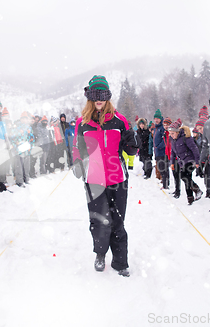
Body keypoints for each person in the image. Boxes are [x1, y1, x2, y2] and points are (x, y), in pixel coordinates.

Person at [72, 75, 138, 277]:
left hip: (118, 178)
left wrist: (132, 141)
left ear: (107, 97)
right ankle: (100, 254)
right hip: (94, 180)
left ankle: (120, 262)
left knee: (118, 222)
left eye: (102, 95)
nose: (99, 99)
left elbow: (131, 150)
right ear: (90, 98)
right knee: (99, 221)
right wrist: (77, 163)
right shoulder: (82, 123)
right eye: (95, 95)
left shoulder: (120, 121)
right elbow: (77, 148)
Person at [168, 119, 202, 205]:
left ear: (177, 132)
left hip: (191, 160)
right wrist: (172, 163)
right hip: (182, 162)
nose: (171, 135)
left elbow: (195, 149)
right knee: (187, 178)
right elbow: (173, 153)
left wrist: (197, 161)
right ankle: (190, 199)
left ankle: (197, 189)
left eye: (173, 133)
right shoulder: (174, 140)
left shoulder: (186, 138)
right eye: (170, 134)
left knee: (183, 175)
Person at [153, 109, 169, 189]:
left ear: (160, 118)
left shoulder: (162, 127)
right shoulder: (156, 128)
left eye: (157, 118)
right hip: (157, 152)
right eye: (155, 118)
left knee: (163, 169)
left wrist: (159, 146)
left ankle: (166, 185)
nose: (156, 120)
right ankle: (165, 183)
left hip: (162, 152)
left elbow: (165, 139)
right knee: (161, 168)